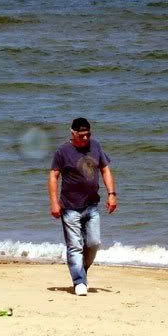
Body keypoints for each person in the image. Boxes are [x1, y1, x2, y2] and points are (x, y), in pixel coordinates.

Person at [48, 117, 117, 296]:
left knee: (94, 243)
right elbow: (53, 176)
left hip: (92, 205)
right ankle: (79, 281)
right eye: (81, 135)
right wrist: (54, 202)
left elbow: (105, 170)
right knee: (75, 246)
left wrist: (111, 194)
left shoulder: (95, 146)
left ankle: (81, 270)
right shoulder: (63, 151)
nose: (86, 138)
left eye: (88, 134)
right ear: (73, 134)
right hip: (70, 207)